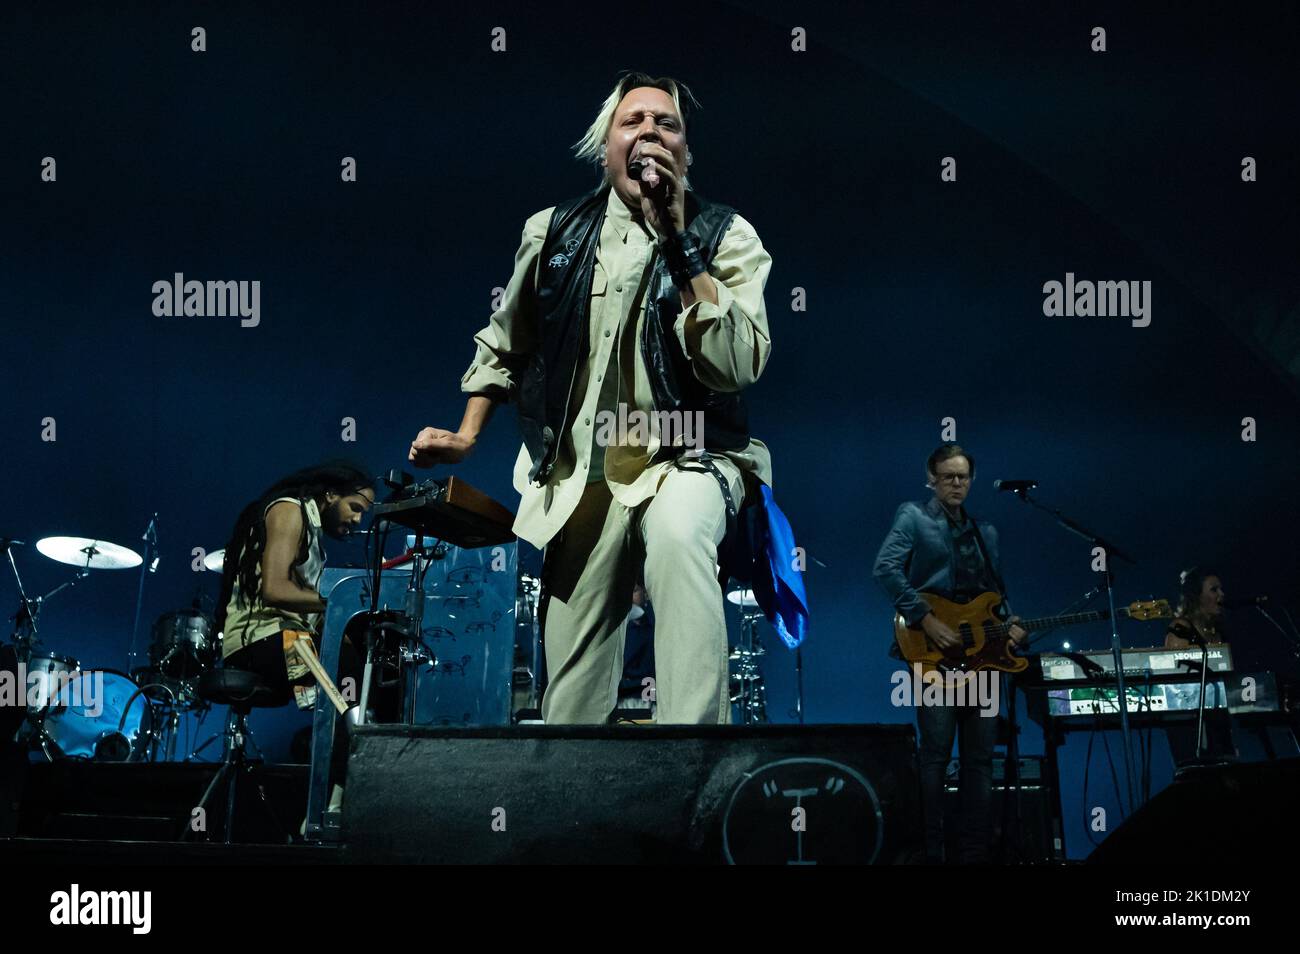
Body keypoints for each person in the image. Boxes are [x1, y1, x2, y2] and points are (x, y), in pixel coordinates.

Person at [408, 71, 773, 725]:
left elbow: (736, 364)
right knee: (572, 679)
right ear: (605, 146)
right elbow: (507, 342)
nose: (651, 133)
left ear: (685, 152)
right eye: (634, 121)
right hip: (585, 472)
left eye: (668, 124)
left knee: (677, 534)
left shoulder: (727, 237)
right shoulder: (553, 234)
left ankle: (689, 760)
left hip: (689, 455)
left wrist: (679, 245)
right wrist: (465, 435)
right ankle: (569, 796)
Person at [873, 443, 1025, 863]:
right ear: (932, 479)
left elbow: (997, 594)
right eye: (947, 476)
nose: (956, 483)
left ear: (971, 481)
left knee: (978, 761)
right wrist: (925, 618)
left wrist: (1012, 624)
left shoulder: (985, 531)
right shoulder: (914, 516)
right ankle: (931, 852)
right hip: (933, 652)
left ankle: (974, 854)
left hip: (985, 656)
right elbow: (884, 568)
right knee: (936, 755)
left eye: (962, 477)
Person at [215, 461, 375, 806]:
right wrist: (336, 602)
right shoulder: (290, 509)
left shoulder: (315, 536)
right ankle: (333, 805)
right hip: (258, 639)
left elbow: (309, 611)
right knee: (350, 673)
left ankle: (341, 794)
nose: (359, 520)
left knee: (366, 669)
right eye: (355, 508)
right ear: (330, 494)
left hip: (290, 636)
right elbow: (274, 590)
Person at [1164, 566, 1236, 766]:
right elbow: (1175, 683)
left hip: (1218, 717)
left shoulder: (1218, 632)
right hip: (1190, 723)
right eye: (1214, 590)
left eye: (1220, 589)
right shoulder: (1181, 629)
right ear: (1196, 596)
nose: (1221, 594)